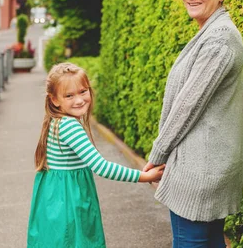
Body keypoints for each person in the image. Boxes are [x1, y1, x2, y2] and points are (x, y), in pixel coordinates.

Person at [144, 0, 243, 247]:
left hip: (201, 169)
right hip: (208, 164)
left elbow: (187, 106)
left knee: (190, 241)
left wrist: (158, 155)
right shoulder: (211, 31)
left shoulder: (218, 40)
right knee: (210, 240)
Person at [28, 62, 165, 248]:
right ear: (54, 99)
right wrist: (145, 176)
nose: (79, 100)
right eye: (69, 95)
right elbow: (101, 166)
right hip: (69, 204)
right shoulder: (69, 126)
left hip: (55, 201)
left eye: (83, 91)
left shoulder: (56, 121)